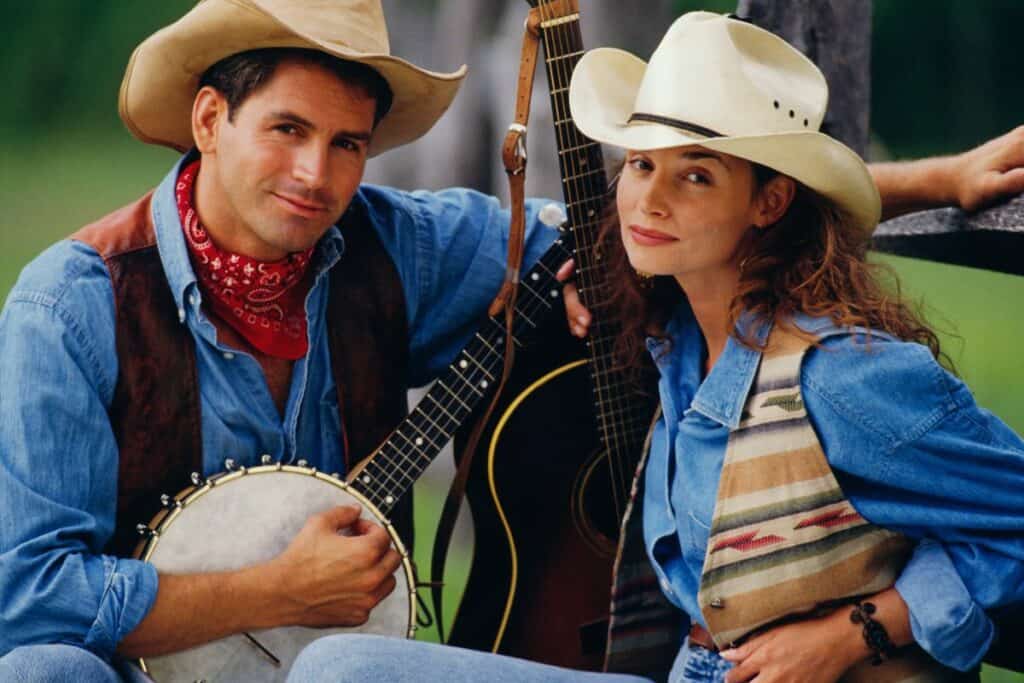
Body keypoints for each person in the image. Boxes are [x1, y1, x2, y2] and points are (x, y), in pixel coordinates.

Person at [1, 4, 1023, 682]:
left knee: (338, 671)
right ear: (210, 116)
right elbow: (25, 593)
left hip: (328, 656)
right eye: (285, 130)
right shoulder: (70, 306)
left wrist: (936, 179)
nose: (316, 175)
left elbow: (674, 221)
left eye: (347, 143)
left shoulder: (390, 246)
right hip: (134, 658)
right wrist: (271, 591)